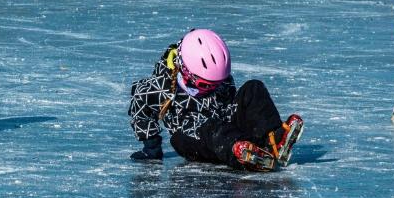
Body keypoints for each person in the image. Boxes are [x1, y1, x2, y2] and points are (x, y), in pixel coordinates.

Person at [128, 29, 304, 171]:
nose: (214, 88)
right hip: (191, 138)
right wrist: (152, 149)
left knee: (253, 87)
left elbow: (229, 105)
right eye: (206, 85)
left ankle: (273, 141)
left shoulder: (220, 79)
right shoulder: (158, 87)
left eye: (218, 83)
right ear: (186, 71)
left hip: (224, 126)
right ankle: (243, 155)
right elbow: (140, 109)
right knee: (211, 128)